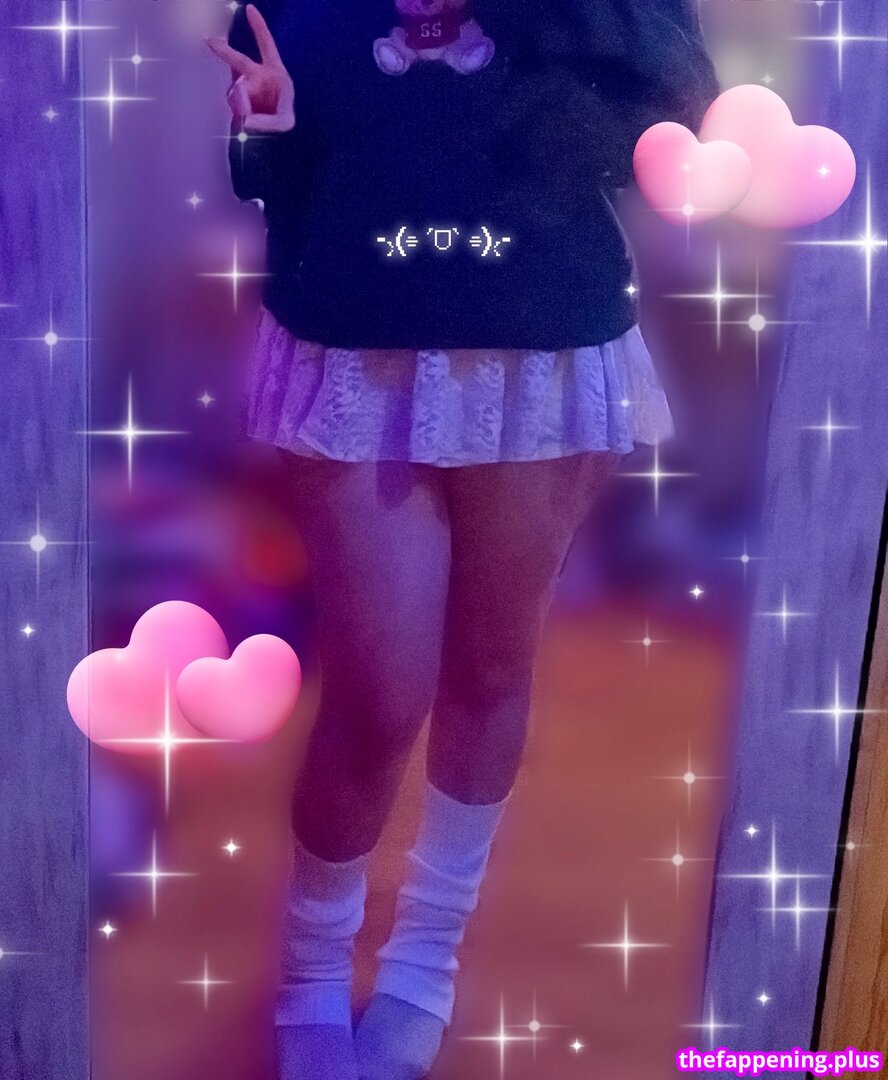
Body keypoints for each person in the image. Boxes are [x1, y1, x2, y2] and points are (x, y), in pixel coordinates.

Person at [208, 3, 718, 1077]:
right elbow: (275, 169)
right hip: (354, 347)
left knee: (492, 666)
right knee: (379, 694)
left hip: (540, 344)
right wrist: (266, 134)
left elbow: (676, 128)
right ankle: (309, 971)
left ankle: (423, 964)